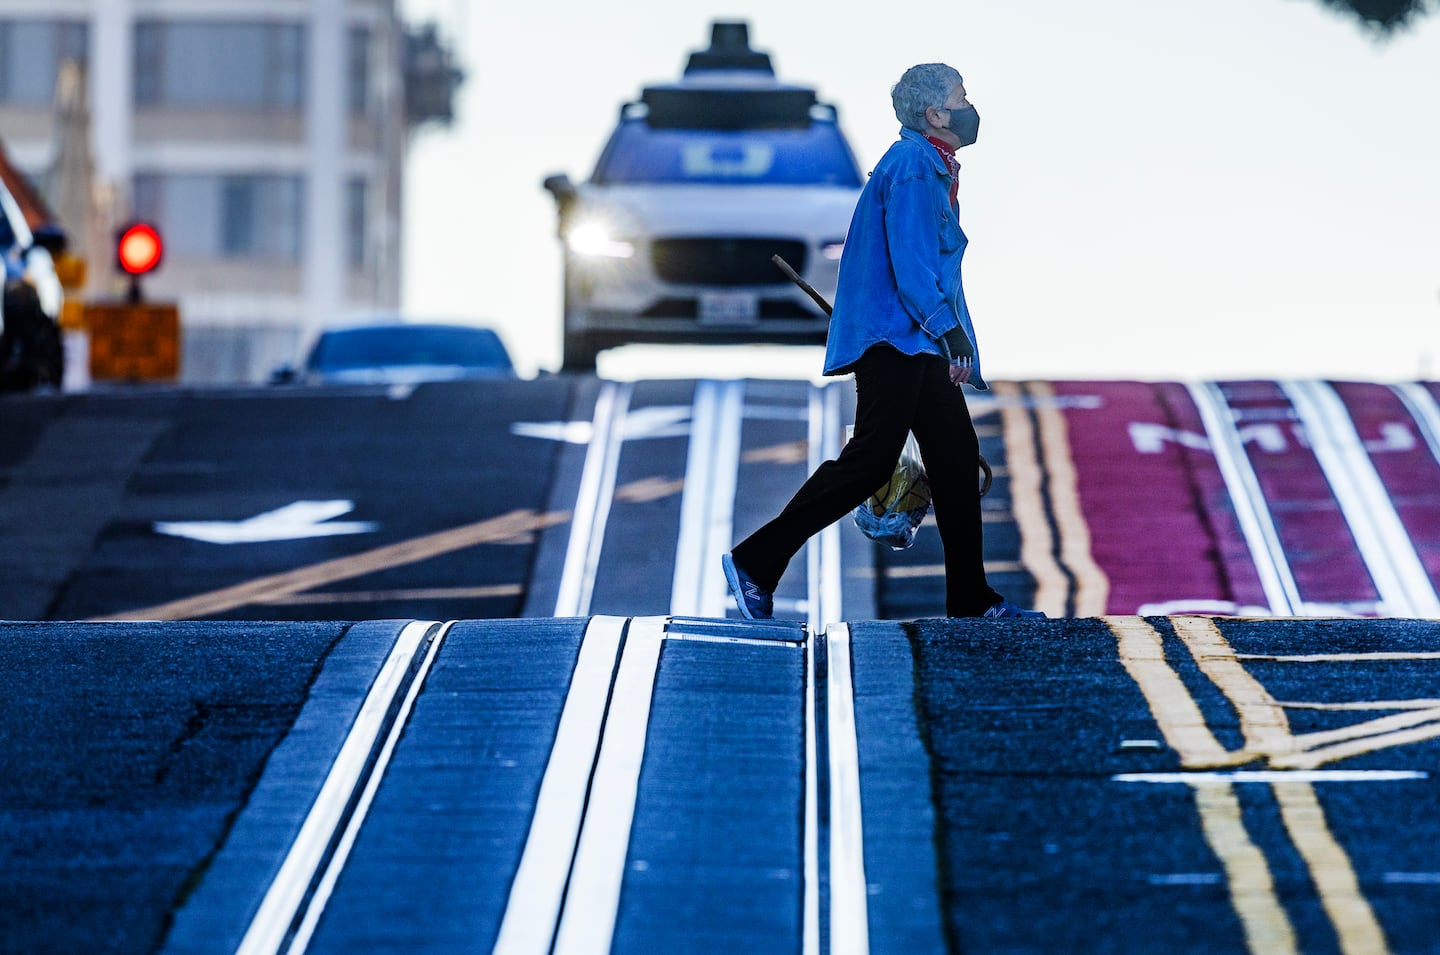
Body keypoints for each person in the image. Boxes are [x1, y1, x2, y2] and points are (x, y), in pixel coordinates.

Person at [722, 63, 1044, 621]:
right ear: (935, 114)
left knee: (954, 458)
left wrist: (944, 336)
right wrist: (948, 331)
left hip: (912, 341)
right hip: (896, 341)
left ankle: (970, 600)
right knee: (871, 461)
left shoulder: (928, 166)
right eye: (961, 99)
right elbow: (913, 262)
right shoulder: (916, 167)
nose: (971, 109)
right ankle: (756, 560)